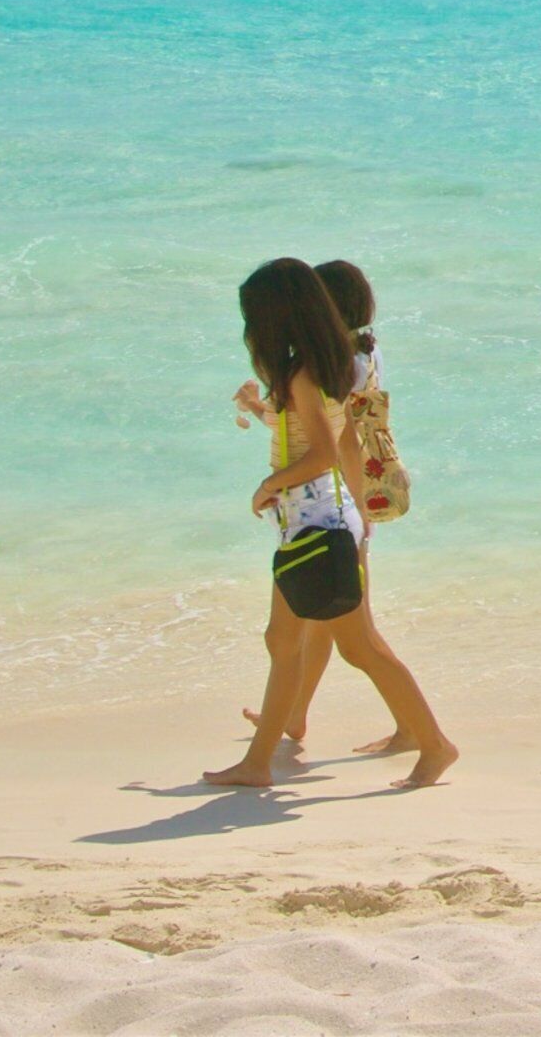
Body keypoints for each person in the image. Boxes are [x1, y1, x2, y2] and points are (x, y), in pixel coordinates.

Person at [205, 258, 455, 789]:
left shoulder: (307, 370)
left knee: (356, 646)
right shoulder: (320, 366)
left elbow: (321, 453)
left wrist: (269, 485)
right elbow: (318, 438)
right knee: (284, 639)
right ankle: (260, 760)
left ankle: (435, 744)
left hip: (322, 522)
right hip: (315, 518)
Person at [239, 260, 418, 758]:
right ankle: (295, 713)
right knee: (323, 626)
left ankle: (417, 731)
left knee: (357, 637)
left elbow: (339, 441)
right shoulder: (361, 354)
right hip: (347, 500)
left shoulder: (339, 364)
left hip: (339, 503)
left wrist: (353, 514)